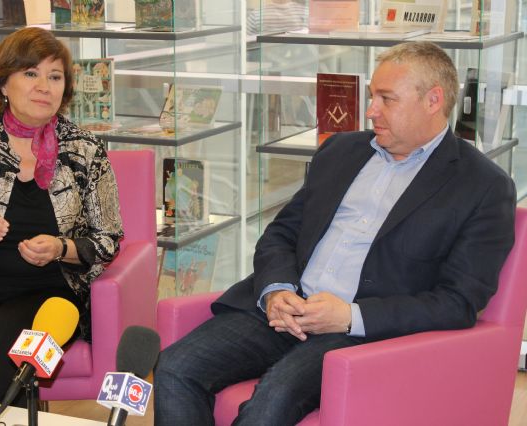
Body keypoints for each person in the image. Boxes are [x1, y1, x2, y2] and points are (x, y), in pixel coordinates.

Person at [154, 41, 516, 425]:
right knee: (176, 367)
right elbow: (281, 234)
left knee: (271, 401)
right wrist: (276, 290)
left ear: (433, 100)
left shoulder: (482, 186)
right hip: (284, 311)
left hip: (357, 333)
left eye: (386, 99)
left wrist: (349, 316)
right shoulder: (341, 151)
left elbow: (458, 302)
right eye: (372, 96)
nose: (371, 110)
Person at [0, 27, 123, 404]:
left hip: (55, 295)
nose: (44, 86)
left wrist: (61, 248)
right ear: (3, 84)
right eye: (31, 73)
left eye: (55, 76)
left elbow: (108, 240)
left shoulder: (86, 151)